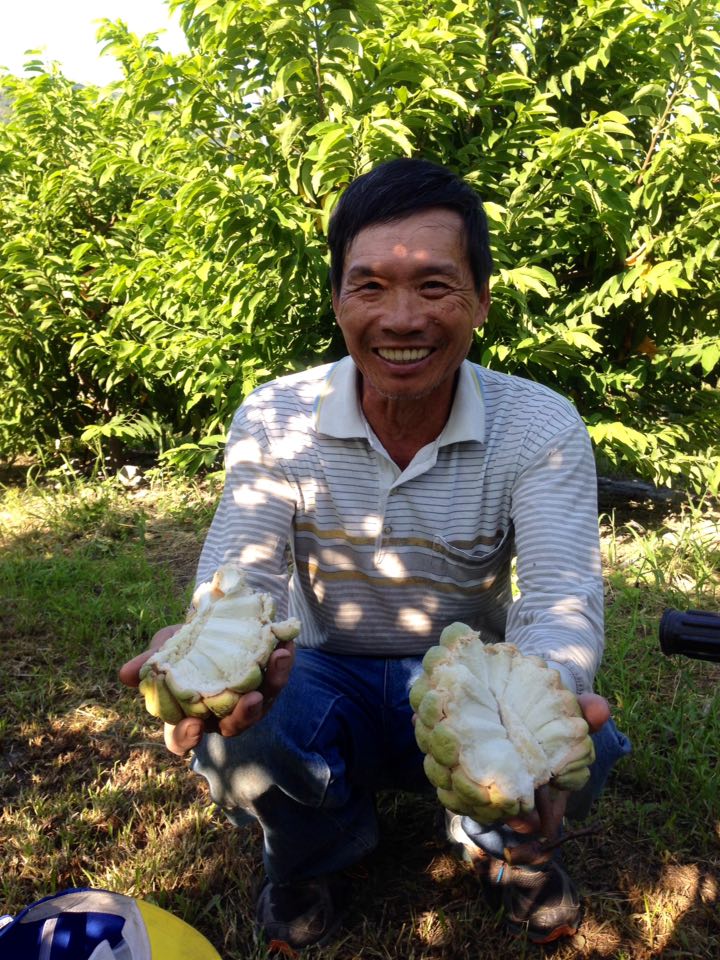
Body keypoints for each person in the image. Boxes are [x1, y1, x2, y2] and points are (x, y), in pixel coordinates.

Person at [120, 158, 630, 951]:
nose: (401, 318)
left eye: (434, 286)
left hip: (468, 677)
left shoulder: (539, 424)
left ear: (482, 302)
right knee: (239, 733)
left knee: (578, 742)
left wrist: (556, 690)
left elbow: (561, 592)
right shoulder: (277, 416)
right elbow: (244, 570)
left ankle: (505, 849)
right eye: (369, 287)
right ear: (336, 300)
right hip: (326, 674)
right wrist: (205, 661)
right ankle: (317, 852)